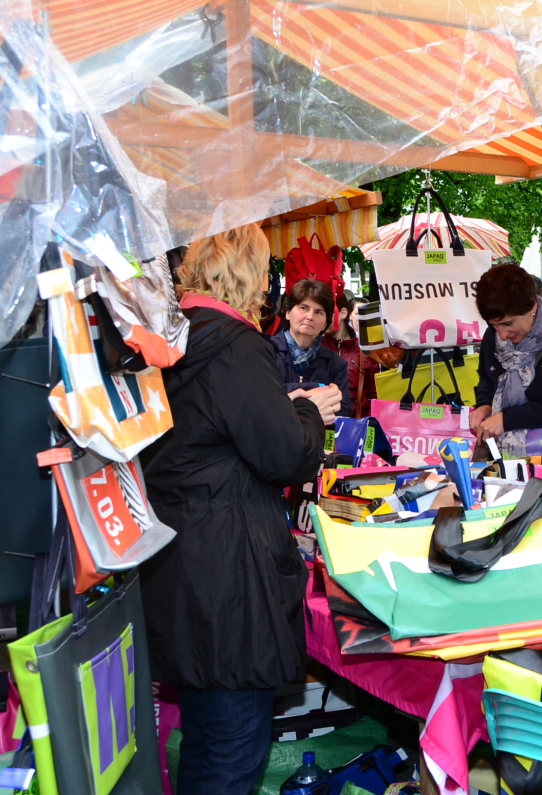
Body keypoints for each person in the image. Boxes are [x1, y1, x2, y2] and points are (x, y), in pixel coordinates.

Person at [140, 224, 335, 794]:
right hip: (229, 569)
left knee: (206, 738)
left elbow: (209, 431)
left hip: (177, 557)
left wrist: (282, 406)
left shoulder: (173, 336)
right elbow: (285, 455)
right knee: (233, 745)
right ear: (253, 275)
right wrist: (309, 413)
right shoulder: (236, 343)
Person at [470, 263, 542, 457]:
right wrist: (484, 406)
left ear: (532, 307)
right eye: (494, 325)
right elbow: (487, 380)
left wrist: (508, 419)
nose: (502, 335)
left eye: (508, 323)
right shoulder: (491, 338)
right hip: (499, 456)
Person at [272, 278, 352, 418]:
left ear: (326, 323)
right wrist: (316, 388)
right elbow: (259, 396)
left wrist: (289, 394)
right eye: (304, 308)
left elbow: (343, 410)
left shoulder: (335, 364)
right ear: (288, 312)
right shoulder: (266, 351)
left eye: (319, 312)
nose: (310, 316)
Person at [322, 289, 380, 417]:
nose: (321, 319)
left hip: (355, 424)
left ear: (343, 313)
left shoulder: (365, 350)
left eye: (327, 313)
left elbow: (374, 396)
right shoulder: (315, 347)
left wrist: (367, 424)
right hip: (321, 424)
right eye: (319, 312)